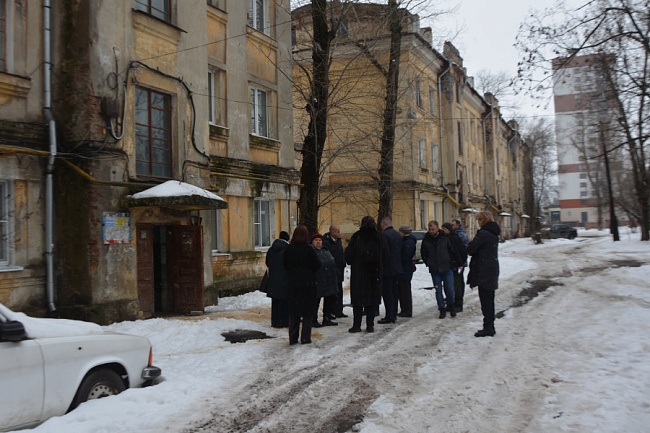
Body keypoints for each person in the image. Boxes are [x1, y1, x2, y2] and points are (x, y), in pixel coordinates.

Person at [282, 225, 321, 345]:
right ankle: (305, 337)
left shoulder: (289, 249)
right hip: (308, 284)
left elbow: (285, 264)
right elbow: (317, 265)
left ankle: (293, 338)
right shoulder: (309, 249)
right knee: (308, 312)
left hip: (293, 283)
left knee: (293, 312)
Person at [344, 216, 383, 333]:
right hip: (374, 273)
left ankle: (357, 325)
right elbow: (385, 254)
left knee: (358, 300)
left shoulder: (357, 237)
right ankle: (370, 324)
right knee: (371, 299)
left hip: (359, 274)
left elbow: (349, 256)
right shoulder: (379, 237)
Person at [467, 211, 501, 337]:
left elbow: (471, 249)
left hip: (484, 270)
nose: (478, 223)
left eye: (479, 220)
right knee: (489, 300)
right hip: (491, 268)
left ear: (483, 220)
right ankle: (490, 326)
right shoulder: (494, 233)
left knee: (486, 300)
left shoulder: (483, 234)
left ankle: (488, 328)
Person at [420, 220, 461, 319]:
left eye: (433, 229)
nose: (431, 231)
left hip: (447, 267)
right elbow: (423, 252)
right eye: (430, 229)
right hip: (434, 269)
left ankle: (451, 306)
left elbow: (453, 251)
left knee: (450, 289)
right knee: (438, 290)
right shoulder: (427, 239)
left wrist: (455, 263)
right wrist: (428, 262)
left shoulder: (445, 238)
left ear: (437, 228)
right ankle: (441, 309)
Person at [378, 217, 403, 324]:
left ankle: (389, 315)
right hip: (397, 267)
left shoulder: (384, 235)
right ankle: (393, 313)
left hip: (387, 268)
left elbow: (383, 252)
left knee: (387, 292)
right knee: (394, 291)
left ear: (383, 225)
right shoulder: (397, 234)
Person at [311, 233, 339, 327]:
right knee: (315, 301)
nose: (318, 242)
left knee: (329, 300)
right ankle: (313, 319)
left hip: (329, 279)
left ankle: (326, 318)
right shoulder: (311, 251)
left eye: (320, 240)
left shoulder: (325, 250)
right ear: (312, 242)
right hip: (317, 280)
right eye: (316, 240)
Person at [441, 222, 468, 314]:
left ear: (449, 230)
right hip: (447, 266)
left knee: (457, 285)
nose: (443, 231)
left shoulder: (455, 238)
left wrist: (460, 263)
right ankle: (450, 303)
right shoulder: (443, 239)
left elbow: (463, 252)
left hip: (456, 265)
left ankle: (458, 304)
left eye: (444, 229)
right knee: (448, 285)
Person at [265, 231, 290, 328]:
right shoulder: (287, 249)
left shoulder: (271, 249)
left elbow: (268, 262)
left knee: (275, 301)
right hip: (284, 279)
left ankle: (274, 321)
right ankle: (282, 322)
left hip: (273, 279)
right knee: (283, 302)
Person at [323, 224, 347, 318]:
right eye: (338, 232)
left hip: (339, 270)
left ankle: (338, 310)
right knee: (332, 293)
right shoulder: (326, 242)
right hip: (332, 270)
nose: (339, 233)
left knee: (339, 291)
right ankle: (330, 312)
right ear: (332, 232)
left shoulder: (338, 242)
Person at [397, 225, 416, 317]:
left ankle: (407, 310)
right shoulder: (407, 241)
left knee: (405, 290)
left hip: (405, 269)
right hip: (405, 269)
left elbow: (406, 256)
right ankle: (404, 309)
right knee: (403, 290)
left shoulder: (409, 242)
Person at [451, 218, 469, 312]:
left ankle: (459, 298)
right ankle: (456, 297)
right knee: (457, 280)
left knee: (458, 281)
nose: (452, 226)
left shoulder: (461, 235)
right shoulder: (454, 234)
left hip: (460, 262)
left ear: (458, 226)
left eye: (453, 225)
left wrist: (461, 262)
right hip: (457, 262)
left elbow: (463, 249)